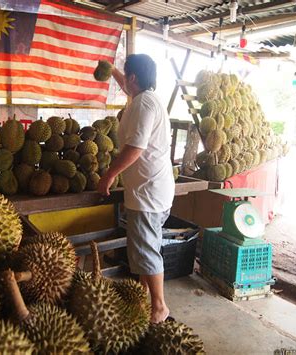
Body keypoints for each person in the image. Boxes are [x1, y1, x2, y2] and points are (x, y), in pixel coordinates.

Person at [97, 54, 175, 323]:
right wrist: (114, 70)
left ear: (134, 78)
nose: (123, 81)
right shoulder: (145, 98)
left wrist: (108, 175)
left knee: (146, 250)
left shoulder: (143, 104)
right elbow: (126, 82)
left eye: (125, 76)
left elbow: (135, 149)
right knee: (144, 248)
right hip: (150, 188)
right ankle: (143, 301)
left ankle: (159, 307)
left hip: (148, 193)